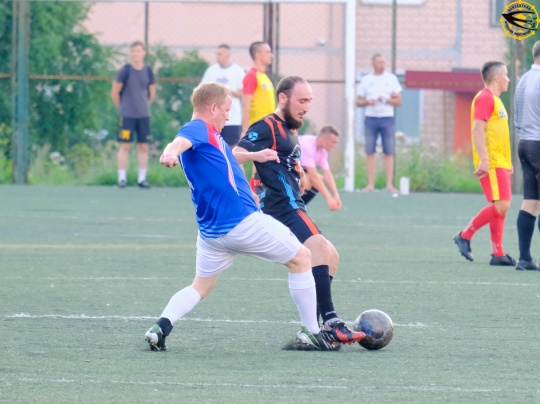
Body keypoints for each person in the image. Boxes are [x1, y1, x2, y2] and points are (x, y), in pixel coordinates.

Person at [144, 82, 354, 352]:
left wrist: (255, 164)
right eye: (227, 109)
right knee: (303, 257)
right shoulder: (199, 128)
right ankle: (312, 332)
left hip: (211, 235)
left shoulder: (212, 138)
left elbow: (226, 168)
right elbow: (179, 142)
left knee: (200, 286)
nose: (228, 116)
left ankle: (161, 327)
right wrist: (169, 153)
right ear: (212, 108)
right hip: (242, 223)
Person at [234, 76, 365, 344]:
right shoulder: (267, 126)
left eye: (309, 101)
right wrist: (255, 160)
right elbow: (234, 154)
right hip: (281, 208)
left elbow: (285, 160)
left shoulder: (291, 129)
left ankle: (312, 326)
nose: (306, 107)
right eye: (302, 101)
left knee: (331, 255)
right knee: (319, 248)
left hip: (294, 203)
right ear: (283, 98)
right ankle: (331, 323)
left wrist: (300, 174)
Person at [453, 60, 516, 266]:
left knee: (501, 207)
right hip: (493, 161)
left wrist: (507, 161)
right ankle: (465, 235)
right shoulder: (485, 98)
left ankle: (498, 254)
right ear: (496, 77)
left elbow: (497, 133)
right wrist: (484, 159)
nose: (508, 79)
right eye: (506, 75)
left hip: (501, 161)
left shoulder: (496, 100)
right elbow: (477, 129)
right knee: (502, 204)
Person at [110, 40, 156, 189]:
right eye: (133, 51)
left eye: (138, 51)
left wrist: (143, 106)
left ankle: (142, 179)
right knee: (125, 146)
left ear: (144, 53)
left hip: (143, 116)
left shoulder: (148, 71)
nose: (135, 54)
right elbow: (115, 93)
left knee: (143, 147)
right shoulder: (125, 70)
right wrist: (123, 108)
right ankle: (122, 178)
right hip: (127, 116)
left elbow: (151, 94)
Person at [356, 54, 402, 193]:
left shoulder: (391, 79)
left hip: (387, 118)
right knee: (370, 151)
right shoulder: (366, 80)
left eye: (383, 62)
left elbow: (399, 101)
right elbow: (358, 101)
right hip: (371, 118)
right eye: (379, 62)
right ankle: (370, 184)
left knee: (389, 151)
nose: (382, 65)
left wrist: (387, 100)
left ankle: (389, 184)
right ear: (373, 63)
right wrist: (368, 101)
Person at [514, 41, 540, 271]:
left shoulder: (523, 79)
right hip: (539, 143)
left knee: (530, 202)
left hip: (524, 143)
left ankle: (524, 258)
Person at [200, 44, 245, 147]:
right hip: (213, 118)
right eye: (217, 54)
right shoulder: (211, 71)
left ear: (228, 55)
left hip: (232, 118)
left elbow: (243, 93)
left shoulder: (238, 71)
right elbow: (202, 90)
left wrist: (226, 91)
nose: (217, 56)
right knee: (214, 146)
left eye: (220, 54)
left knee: (231, 147)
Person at [299, 126, 342, 210]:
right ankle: (292, 210)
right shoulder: (308, 146)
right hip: (282, 165)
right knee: (307, 183)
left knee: (321, 180)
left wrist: (336, 195)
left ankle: (299, 209)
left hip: (298, 167)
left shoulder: (323, 151)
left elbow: (327, 174)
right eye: (333, 142)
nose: (334, 146)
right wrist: (329, 198)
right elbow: (313, 177)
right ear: (324, 139)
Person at [241, 41, 276, 136]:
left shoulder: (264, 77)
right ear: (258, 55)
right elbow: (245, 104)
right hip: (256, 129)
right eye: (267, 52)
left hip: (268, 128)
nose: (271, 55)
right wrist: (245, 130)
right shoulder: (251, 75)